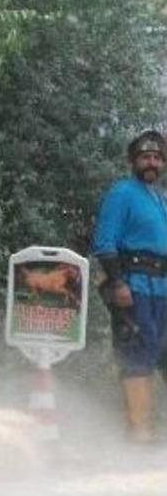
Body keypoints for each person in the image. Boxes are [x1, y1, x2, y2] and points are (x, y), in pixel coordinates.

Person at [93, 129, 167, 442]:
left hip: (163, 289)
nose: (151, 162)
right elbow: (104, 241)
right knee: (137, 355)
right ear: (133, 161)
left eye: (157, 158)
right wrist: (118, 282)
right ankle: (138, 430)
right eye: (145, 157)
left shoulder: (160, 199)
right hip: (134, 287)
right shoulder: (122, 192)